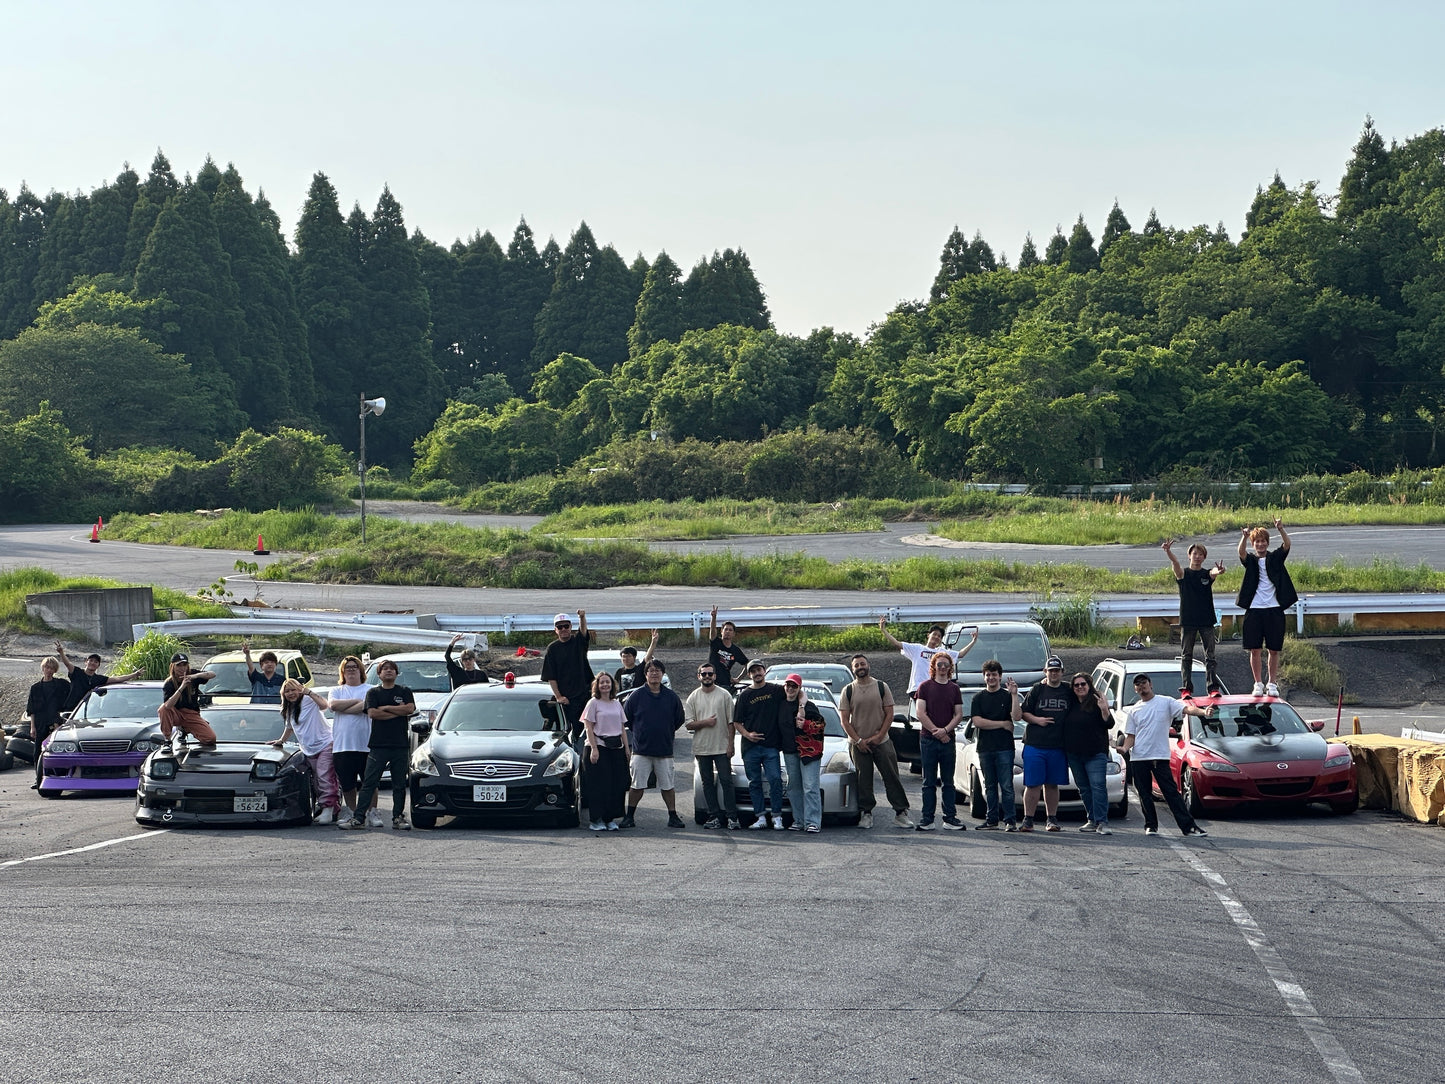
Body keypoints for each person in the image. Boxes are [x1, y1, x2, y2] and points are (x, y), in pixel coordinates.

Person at [1118, 674, 1211, 837]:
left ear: (1150, 684)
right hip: (1139, 758)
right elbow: (1131, 736)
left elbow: (1186, 709)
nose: (1141, 686)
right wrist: (1124, 749)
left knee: (1171, 793)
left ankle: (1188, 827)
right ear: (1135, 689)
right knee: (1144, 794)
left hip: (1159, 757)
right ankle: (1151, 825)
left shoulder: (1165, 701)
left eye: (1144, 683)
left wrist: (1203, 712)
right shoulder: (1134, 710)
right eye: (1137, 685)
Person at [838, 654, 914, 829]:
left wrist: (879, 736)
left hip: (882, 741)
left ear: (868, 665)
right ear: (853, 669)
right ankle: (866, 813)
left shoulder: (881, 686)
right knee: (863, 779)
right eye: (856, 665)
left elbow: (889, 713)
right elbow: (844, 720)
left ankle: (900, 813)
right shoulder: (848, 690)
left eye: (862, 663)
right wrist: (858, 741)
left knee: (891, 776)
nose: (860, 667)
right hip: (858, 744)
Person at [339, 659, 415, 831]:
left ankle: (398, 817)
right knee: (369, 782)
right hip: (378, 745)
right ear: (379, 674)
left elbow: (409, 709)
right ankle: (359, 818)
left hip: (400, 745)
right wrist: (397, 710)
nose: (388, 671)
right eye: (384, 669)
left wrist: (386, 708)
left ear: (396, 673)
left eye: (392, 669)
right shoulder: (373, 693)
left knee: (399, 784)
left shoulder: (404, 691)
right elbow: (373, 713)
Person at [621, 660, 686, 829]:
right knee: (636, 785)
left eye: (658, 671)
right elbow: (626, 718)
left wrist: (665, 730)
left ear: (663, 674)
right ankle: (629, 817)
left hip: (664, 750)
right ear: (646, 674)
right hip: (641, 751)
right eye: (651, 671)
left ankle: (673, 816)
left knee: (668, 785)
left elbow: (679, 719)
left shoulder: (671, 697)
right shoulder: (636, 696)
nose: (654, 673)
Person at [1236, 518, 1297, 697]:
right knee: (1255, 649)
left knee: (1274, 649)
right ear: (1253, 544)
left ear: (1267, 543)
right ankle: (1257, 683)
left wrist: (1281, 529)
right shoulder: (1252, 561)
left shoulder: (1275, 558)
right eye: (1257, 542)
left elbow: (1287, 544)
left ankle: (1272, 683)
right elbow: (1241, 553)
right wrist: (1244, 537)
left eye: (1263, 541)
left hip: (1274, 608)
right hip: (1254, 609)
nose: (1260, 544)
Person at [272, 678, 340, 824]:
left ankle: (328, 809)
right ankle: (330, 807)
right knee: (317, 779)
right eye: (287, 691)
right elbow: (289, 727)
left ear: (299, 689)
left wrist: (308, 692)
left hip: (325, 743)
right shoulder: (288, 709)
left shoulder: (308, 700)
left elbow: (324, 706)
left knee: (324, 775)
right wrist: (281, 741)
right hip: (309, 749)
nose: (291, 693)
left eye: (293, 689)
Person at [1163, 539, 1225, 695]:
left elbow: (1213, 572)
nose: (1197, 556)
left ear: (1204, 557)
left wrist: (1219, 571)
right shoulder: (1183, 574)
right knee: (1186, 655)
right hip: (1188, 620)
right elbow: (1176, 564)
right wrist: (1169, 552)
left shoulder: (1206, 574)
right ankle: (1186, 689)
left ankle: (1213, 688)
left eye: (1201, 554)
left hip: (1206, 620)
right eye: (1195, 553)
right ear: (1189, 556)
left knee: (1210, 656)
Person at [685, 661, 740, 830]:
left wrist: (730, 745)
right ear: (699, 676)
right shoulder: (693, 697)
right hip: (702, 748)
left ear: (715, 676)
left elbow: (732, 723)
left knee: (726, 781)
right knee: (707, 783)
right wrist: (705, 722)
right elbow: (688, 724)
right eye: (704, 674)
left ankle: (732, 817)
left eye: (710, 673)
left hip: (722, 747)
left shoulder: (724, 695)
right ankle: (714, 816)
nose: (707, 676)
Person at [914, 653, 966, 831]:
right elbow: (920, 712)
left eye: (946, 664)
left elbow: (958, 714)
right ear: (934, 666)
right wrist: (936, 731)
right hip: (928, 740)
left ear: (950, 667)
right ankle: (927, 819)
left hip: (948, 741)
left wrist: (945, 731)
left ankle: (950, 818)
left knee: (948, 781)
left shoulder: (954, 689)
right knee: (928, 781)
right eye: (939, 664)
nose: (942, 667)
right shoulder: (924, 687)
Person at [1019, 655, 1071, 832]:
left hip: (1058, 745)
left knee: (1052, 784)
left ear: (1062, 672)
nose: (1054, 674)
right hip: (1035, 744)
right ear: (1045, 672)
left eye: (1057, 671)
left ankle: (1052, 819)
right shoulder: (1037, 690)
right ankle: (1028, 819)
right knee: (1032, 784)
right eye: (1050, 671)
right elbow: (1023, 713)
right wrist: (1037, 720)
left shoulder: (1068, 690)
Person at [734, 660, 787, 830]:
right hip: (750, 749)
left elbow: (797, 692)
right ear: (749, 674)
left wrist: (801, 706)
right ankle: (760, 817)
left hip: (771, 746)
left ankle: (777, 816)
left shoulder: (776, 690)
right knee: (754, 782)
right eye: (753, 671)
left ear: (764, 671)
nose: (757, 673)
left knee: (775, 780)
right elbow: (736, 722)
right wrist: (748, 734)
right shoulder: (744, 696)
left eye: (759, 669)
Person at [327, 656, 380, 827]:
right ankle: (353, 812)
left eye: (354, 667)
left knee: (369, 782)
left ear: (360, 670)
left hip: (367, 744)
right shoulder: (336, 690)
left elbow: (369, 706)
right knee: (348, 784)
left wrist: (351, 707)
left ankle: (372, 812)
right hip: (343, 745)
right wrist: (358, 703)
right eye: (347, 667)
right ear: (342, 671)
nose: (351, 669)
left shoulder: (372, 689)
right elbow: (333, 706)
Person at [969, 660, 1021, 831]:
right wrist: (1002, 724)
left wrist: (1014, 695)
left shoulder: (1007, 696)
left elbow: (1016, 716)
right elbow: (977, 722)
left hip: (1005, 748)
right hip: (985, 748)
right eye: (988, 675)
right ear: (984, 677)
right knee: (989, 786)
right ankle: (991, 820)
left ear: (1000, 676)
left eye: (994, 675)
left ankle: (1010, 821)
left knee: (1006, 786)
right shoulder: (978, 698)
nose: (991, 677)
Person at [1063, 673, 1114, 835]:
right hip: (1074, 754)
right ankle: (1091, 819)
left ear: (1089, 685)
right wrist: (1044, 680)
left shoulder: (1097, 701)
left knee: (1098, 786)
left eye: (1083, 684)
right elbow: (1058, 684)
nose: (1079, 687)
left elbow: (1109, 723)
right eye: (1076, 685)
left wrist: (1104, 709)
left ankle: (1102, 822)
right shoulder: (1070, 702)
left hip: (1095, 753)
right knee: (1084, 788)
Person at [581, 671, 630, 831]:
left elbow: (622, 727)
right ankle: (596, 820)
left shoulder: (616, 703)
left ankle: (610, 819)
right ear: (597, 685)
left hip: (616, 748)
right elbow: (588, 727)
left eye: (607, 682)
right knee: (598, 785)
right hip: (598, 747)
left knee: (616, 785)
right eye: (602, 682)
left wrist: (627, 749)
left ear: (612, 684)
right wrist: (594, 748)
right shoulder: (593, 703)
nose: (605, 685)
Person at [879, 616, 978, 695]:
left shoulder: (942, 652)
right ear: (928, 635)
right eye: (934, 634)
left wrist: (973, 641)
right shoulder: (917, 648)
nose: (936, 637)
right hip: (917, 688)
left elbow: (960, 654)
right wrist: (883, 630)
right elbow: (897, 644)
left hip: (935, 689)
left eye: (939, 636)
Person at [781, 674, 827, 833]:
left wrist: (805, 724)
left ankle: (813, 822)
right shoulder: (780, 705)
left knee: (810, 787)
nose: (791, 688)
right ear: (784, 687)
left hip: (809, 753)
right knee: (793, 787)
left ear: (799, 688)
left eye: (794, 686)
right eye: (788, 685)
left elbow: (820, 726)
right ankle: (799, 820)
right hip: (789, 752)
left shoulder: (810, 707)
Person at [542, 611, 594, 745]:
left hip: (585, 696)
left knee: (588, 731)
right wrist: (559, 696)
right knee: (569, 734)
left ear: (571, 627)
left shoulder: (578, 642)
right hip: (567, 701)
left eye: (566, 626)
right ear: (555, 630)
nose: (564, 629)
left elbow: (583, 632)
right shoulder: (552, 649)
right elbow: (551, 676)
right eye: (560, 627)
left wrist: (582, 617)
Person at [54, 641, 141, 714]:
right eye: (90, 660)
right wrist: (61, 652)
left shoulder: (99, 679)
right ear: (86, 662)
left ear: (98, 666)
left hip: (89, 711)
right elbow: (67, 664)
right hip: (72, 710)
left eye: (96, 662)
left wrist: (134, 674)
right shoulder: (77, 672)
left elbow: (117, 679)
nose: (92, 663)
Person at [26, 656, 70, 789]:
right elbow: (31, 709)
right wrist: (32, 727)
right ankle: (38, 779)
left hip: (56, 722)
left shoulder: (61, 684)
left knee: (57, 751)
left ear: (55, 670)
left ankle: (60, 777)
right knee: (37, 752)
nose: (48, 670)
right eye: (47, 667)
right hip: (39, 723)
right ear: (43, 668)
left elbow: (73, 693)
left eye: (51, 668)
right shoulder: (35, 688)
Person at [158, 653, 218, 748]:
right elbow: (168, 706)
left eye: (184, 665)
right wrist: (182, 687)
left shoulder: (192, 674)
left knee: (210, 738)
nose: (182, 668)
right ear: (173, 666)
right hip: (176, 713)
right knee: (163, 709)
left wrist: (195, 676)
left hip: (191, 714)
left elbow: (212, 674)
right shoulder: (169, 683)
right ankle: (167, 741)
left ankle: (185, 729)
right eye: (179, 665)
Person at [707, 606, 749, 693]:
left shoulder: (735, 650)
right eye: (725, 629)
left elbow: (747, 665)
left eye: (730, 630)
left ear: (733, 634)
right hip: (711, 682)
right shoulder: (716, 642)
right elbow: (712, 631)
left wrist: (738, 679)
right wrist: (713, 617)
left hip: (725, 684)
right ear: (721, 631)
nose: (728, 632)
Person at [613, 630, 659, 695]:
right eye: (624, 656)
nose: (626, 659)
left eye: (629, 656)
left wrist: (653, 642)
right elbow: (615, 689)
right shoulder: (619, 672)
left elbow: (648, 657)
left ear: (634, 657)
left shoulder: (640, 669)